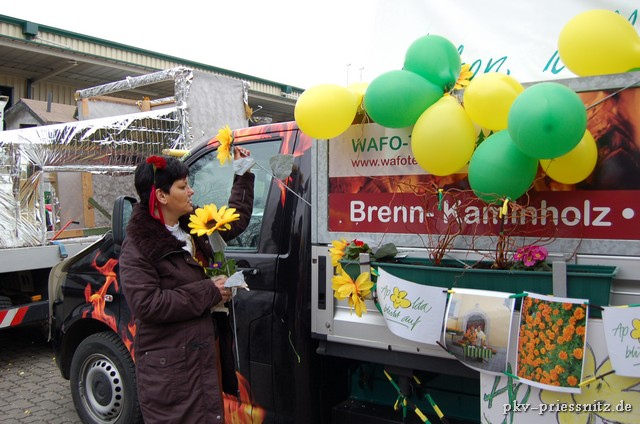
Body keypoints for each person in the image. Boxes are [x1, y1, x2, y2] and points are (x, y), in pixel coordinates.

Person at [119, 146, 254, 423]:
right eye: (183, 186)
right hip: (173, 367)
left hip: (203, 351)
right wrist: (210, 291)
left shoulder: (192, 225)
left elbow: (235, 221)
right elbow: (147, 304)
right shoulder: (139, 246)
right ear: (161, 196)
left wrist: (242, 172)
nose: (191, 191)